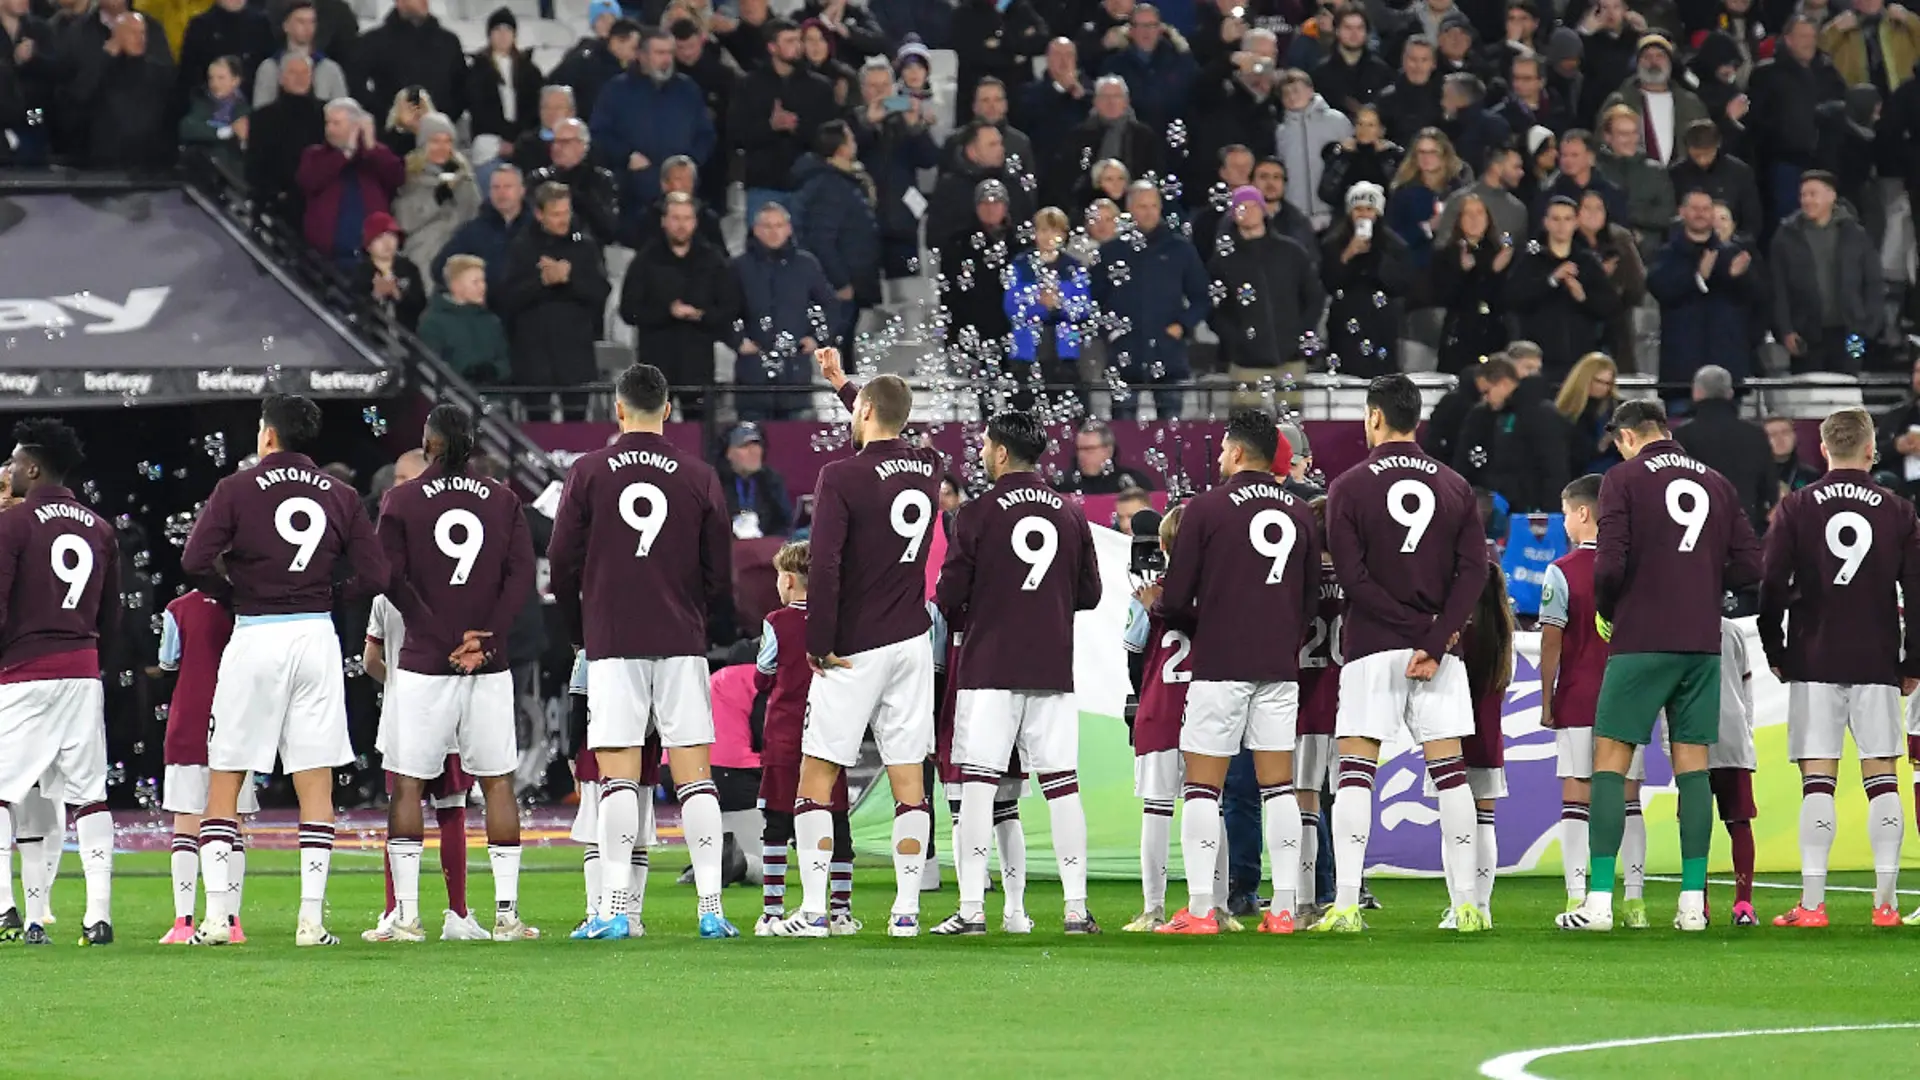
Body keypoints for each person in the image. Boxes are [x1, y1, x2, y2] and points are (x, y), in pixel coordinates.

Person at [180, 395, 390, 945]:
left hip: (256, 633)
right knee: (314, 776)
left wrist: (237, 592)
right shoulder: (342, 495)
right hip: (315, 634)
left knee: (226, 773)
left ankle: (217, 920)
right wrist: (330, 595)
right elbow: (375, 572)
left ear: (268, 435)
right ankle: (311, 921)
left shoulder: (236, 489)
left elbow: (193, 560)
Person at [547, 363, 738, 940]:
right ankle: (711, 908)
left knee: (618, 777)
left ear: (619, 409)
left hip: (612, 640)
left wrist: (580, 627)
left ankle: (611, 910)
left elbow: (560, 560)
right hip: (680, 639)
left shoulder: (589, 470)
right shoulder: (700, 473)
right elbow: (719, 570)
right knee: (695, 776)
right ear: (669, 408)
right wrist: (704, 622)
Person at [1557, 398, 1762, 933]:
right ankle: (1693, 905)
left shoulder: (1621, 479)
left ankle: (1598, 902)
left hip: (1642, 636)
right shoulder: (1716, 482)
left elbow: (1610, 561)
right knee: (1694, 765)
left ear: (1626, 436)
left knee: (1609, 760)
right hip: (1701, 641)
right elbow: (1749, 565)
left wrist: (1608, 612)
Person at [764, 354, 943, 938]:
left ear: (865, 413)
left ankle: (814, 911)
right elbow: (888, 435)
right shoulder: (928, 465)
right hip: (913, 641)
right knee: (908, 777)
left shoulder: (839, 477)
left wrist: (819, 641)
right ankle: (907, 912)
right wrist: (846, 386)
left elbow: (828, 564)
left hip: (854, 644)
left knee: (816, 775)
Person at [1317, 374, 1488, 934]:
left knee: (1355, 775)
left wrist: (1410, 628)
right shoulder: (1456, 485)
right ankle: (1466, 905)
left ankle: (1344, 905)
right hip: (1439, 653)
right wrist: (1435, 636)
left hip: (1371, 647)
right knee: (1451, 776)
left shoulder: (1347, 485)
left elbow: (1352, 577)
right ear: (1419, 419)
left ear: (1372, 417)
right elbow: (1476, 572)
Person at [930, 411, 1103, 936]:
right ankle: (1075, 908)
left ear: (1001, 452)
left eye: (985, 445)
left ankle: (971, 910)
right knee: (1062, 786)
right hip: (1051, 664)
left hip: (989, 665)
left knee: (979, 785)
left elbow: (948, 594)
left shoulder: (977, 513)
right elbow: (1091, 594)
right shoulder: (1070, 513)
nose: (981, 452)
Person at [1146, 411, 1318, 936]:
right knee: (1280, 787)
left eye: (1223, 449)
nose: (1219, 457)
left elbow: (1177, 599)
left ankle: (1201, 911)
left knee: (1202, 788)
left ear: (1238, 453)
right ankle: (1285, 908)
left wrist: (1161, 604)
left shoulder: (1206, 509)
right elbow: (1309, 603)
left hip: (1220, 665)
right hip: (1278, 664)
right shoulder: (1303, 513)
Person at [370, 405, 537, 943]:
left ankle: (408, 917)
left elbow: (386, 576)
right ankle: (507, 917)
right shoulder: (506, 500)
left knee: (408, 784)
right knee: (497, 783)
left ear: (430, 443)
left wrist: (440, 638)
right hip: (488, 666)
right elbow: (520, 579)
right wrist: (484, 640)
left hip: (423, 663)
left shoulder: (400, 499)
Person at [1758, 407, 1920, 929]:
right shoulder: (1898, 510)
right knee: (1883, 777)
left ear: (1823, 450)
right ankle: (1887, 904)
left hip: (1814, 656)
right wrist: (1912, 659)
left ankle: (1812, 905)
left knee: (1818, 781)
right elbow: (1916, 593)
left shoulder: (1798, 506)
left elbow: (1771, 585)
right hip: (1877, 659)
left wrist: (1775, 650)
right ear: (1872, 451)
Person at [0, 420, 119, 946]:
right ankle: (98, 916)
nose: (6, 469)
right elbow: (111, 615)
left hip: (24, 673)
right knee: (90, 795)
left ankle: (3, 908)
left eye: (11, 460)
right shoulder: (100, 527)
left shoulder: (13, 525)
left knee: (1, 793)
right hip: (83, 669)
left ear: (32, 467)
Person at [1538, 474, 1650, 922]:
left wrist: (1547, 699)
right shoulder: (1636, 569)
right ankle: (1636, 901)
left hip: (1581, 695)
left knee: (1577, 792)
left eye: (1566, 512)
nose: (1564, 521)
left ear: (1583, 514)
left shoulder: (1562, 571)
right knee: (1628, 795)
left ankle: (1577, 895)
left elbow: (1551, 641)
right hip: (1628, 697)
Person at [753, 541, 859, 935]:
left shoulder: (777, 621)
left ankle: (773, 913)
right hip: (832, 732)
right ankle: (842, 912)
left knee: (777, 823)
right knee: (836, 819)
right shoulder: (839, 620)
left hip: (785, 734)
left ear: (788, 579)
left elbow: (763, 674)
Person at [1121, 504, 1208, 931]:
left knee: (1157, 811)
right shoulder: (1218, 593)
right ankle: (1215, 904)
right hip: (1206, 710)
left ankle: (1153, 907)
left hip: (1159, 709)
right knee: (1212, 807)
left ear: (1162, 544)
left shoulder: (1149, 593)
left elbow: (1134, 657)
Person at [154, 585, 254, 944]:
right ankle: (232, 920)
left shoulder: (177, 608)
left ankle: (183, 923)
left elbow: (168, 661)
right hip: (236, 720)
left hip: (189, 720)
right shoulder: (246, 607)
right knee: (232, 824)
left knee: (185, 822)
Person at [619, 192, 740, 420]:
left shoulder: (712, 259)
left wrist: (701, 315)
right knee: (651, 435)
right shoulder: (645, 260)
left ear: (695, 221)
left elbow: (729, 308)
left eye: (686, 218)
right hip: (654, 367)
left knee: (699, 435)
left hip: (697, 366)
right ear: (664, 221)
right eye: (675, 218)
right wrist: (667, 313)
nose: (681, 225)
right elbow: (629, 311)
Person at [1096, 182, 1210, 419]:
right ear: (1129, 210)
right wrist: (1111, 332)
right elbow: (1094, 300)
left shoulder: (1180, 249)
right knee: (1122, 434)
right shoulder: (1110, 252)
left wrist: (1182, 326)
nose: (1149, 212)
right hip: (1124, 355)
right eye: (1142, 206)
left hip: (1169, 355)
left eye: (1154, 206)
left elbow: (1202, 297)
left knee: (1171, 433)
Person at [591, 27, 717, 229]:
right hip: (634, 198)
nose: (667, 59)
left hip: (681, 200)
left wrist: (690, 163)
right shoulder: (616, 90)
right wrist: (627, 155)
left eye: (670, 53)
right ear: (641, 55)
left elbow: (706, 134)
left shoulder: (687, 89)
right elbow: (599, 133)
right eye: (660, 53)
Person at [1209, 185, 1324, 402]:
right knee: (1247, 427)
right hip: (1246, 363)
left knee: (1292, 427)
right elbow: (1214, 309)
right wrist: (1237, 341)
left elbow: (1314, 297)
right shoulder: (1223, 260)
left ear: (1263, 210)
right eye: (1242, 207)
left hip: (1291, 358)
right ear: (1233, 214)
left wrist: (1300, 333)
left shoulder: (1292, 252)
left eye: (1253, 206)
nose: (1248, 211)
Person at [1771, 171, 1885, 376]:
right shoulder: (1785, 236)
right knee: (1808, 395)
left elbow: (1873, 282)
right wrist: (1785, 330)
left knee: (1850, 386)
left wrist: (1869, 327)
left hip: (1853, 334)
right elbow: (1778, 289)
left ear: (1831, 196)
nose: (1806, 200)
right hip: (1805, 335)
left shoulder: (1855, 233)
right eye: (1803, 195)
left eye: (1813, 194)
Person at [731, 202, 837, 420]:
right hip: (752, 380)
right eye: (767, 226)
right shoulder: (739, 267)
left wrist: (817, 338)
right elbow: (724, 311)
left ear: (788, 228)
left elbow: (830, 306)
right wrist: (737, 340)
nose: (774, 231)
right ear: (756, 229)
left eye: (779, 225)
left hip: (796, 378)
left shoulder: (807, 265)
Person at [1646, 189, 1761, 388]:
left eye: (1706, 209)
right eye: (1695, 208)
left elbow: (1753, 297)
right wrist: (1698, 278)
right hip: (1682, 371)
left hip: (1727, 371)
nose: (1700, 213)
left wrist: (1737, 278)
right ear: (1682, 212)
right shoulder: (1666, 255)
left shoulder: (1732, 253)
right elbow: (1660, 289)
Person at [501, 182, 610, 390]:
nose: (563, 220)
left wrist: (570, 279)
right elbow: (508, 297)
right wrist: (542, 282)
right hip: (533, 355)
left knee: (576, 420)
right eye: (556, 214)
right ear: (539, 214)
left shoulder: (585, 247)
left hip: (575, 352)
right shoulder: (521, 247)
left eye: (566, 212)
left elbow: (600, 291)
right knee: (536, 420)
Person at [730, 18, 839, 222]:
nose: (798, 47)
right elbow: (736, 133)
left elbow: (829, 136)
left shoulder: (820, 87)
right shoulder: (749, 85)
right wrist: (770, 126)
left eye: (799, 40)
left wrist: (797, 127)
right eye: (789, 41)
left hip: (809, 185)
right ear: (772, 47)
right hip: (763, 186)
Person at [789, 119, 882, 351]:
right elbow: (822, 239)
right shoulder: (831, 186)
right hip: (839, 287)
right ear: (841, 148)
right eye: (850, 138)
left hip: (847, 282)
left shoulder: (839, 181)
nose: (855, 143)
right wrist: (840, 283)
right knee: (837, 353)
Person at [1747, 15, 1847, 222]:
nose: (1809, 42)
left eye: (1812, 36)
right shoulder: (1767, 74)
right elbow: (1756, 120)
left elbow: (1843, 110)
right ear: (1789, 40)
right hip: (1784, 165)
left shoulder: (1828, 73)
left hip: (1825, 165)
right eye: (1803, 36)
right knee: (1788, 222)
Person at [1505, 196, 1617, 378]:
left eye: (1567, 219)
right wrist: (1551, 280)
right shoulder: (1531, 260)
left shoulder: (1588, 262)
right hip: (1538, 362)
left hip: (1579, 361)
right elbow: (1512, 297)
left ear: (1576, 222)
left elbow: (1610, 306)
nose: (1561, 225)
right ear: (1546, 222)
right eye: (1555, 219)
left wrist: (1583, 298)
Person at [1003, 206, 1094, 417]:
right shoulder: (1019, 265)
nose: (1049, 237)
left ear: (1064, 234)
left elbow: (1083, 308)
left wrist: (1058, 305)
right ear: (1034, 233)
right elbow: (1011, 307)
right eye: (1043, 230)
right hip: (1026, 354)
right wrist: (1040, 303)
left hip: (1065, 352)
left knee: (1068, 412)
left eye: (1055, 231)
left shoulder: (1074, 267)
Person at [1451, 354, 1570, 512]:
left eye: (1487, 392)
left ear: (1504, 383)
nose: (1485, 398)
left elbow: (1554, 468)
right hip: (1494, 505)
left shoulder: (1540, 414)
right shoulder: (1481, 416)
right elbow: (1466, 459)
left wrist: (1550, 511)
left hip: (1531, 508)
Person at [1320, 181, 1414, 378]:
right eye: (1358, 209)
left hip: (1382, 325)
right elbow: (1327, 282)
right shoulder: (1332, 243)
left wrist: (1378, 258)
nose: (1363, 214)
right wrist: (1347, 255)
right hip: (1344, 326)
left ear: (1378, 212)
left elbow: (1401, 283)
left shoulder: (1395, 245)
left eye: (1369, 209)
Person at [299, 97, 405, 269]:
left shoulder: (374, 156)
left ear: (356, 126)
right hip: (327, 258)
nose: (329, 129)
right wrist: (345, 154)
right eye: (328, 123)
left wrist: (370, 146)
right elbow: (309, 181)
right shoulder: (314, 155)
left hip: (372, 258)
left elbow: (397, 177)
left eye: (336, 123)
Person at [1674, 365, 1773, 533]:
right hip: (1746, 530)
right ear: (1730, 393)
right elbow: (1770, 488)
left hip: (1696, 533)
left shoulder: (1682, 436)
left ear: (1696, 392)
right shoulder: (1755, 434)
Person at [1048, 76, 1163, 214]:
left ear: (1126, 101)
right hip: (1088, 209)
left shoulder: (1144, 136)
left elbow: (1154, 176)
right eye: (1105, 97)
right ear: (1095, 102)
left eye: (1116, 96)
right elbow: (1066, 178)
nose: (1111, 102)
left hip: (1134, 210)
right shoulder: (1078, 136)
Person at [73, 12, 174, 169]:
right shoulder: (101, 68)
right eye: (131, 32)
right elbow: (80, 95)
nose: (139, 38)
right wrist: (106, 56)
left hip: (149, 165)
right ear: (116, 36)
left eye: (142, 32)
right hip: (107, 163)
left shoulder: (160, 73)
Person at [348, 0, 466, 127]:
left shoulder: (449, 42)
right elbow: (355, 84)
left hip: (439, 135)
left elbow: (462, 86)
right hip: (390, 133)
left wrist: (444, 116)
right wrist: (389, 113)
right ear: (399, 2)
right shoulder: (373, 41)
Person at [1431, 194, 1514, 374]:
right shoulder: (1446, 255)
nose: (1474, 219)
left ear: (1488, 219)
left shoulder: (1500, 255)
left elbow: (1507, 300)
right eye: (1468, 214)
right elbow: (1443, 296)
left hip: (1494, 337)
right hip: (1459, 336)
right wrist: (1462, 272)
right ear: (1459, 220)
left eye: (1479, 213)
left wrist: (1496, 272)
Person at [391, 110, 479, 277]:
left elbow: (473, 215)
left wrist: (461, 186)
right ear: (424, 143)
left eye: (447, 141)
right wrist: (436, 198)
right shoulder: (409, 175)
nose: (442, 147)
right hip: (424, 252)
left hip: (459, 253)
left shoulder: (464, 174)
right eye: (435, 141)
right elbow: (404, 221)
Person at [1098, 2, 1197, 131]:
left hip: (1171, 137)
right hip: (1130, 137)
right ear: (1131, 30)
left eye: (1151, 25)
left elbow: (1195, 98)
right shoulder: (1114, 65)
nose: (1146, 31)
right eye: (1140, 26)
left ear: (1160, 29)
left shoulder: (1179, 61)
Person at [432, 165, 527, 298]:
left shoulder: (537, 228)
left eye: (507, 187)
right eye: (496, 187)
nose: (501, 193)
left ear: (522, 190)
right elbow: (440, 268)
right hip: (485, 310)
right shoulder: (473, 231)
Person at [1593, 104, 1676, 256]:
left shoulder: (1655, 171)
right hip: (1605, 250)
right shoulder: (1596, 170)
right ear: (1607, 136)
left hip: (1650, 252)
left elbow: (1667, 214)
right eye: (1623, 134)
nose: (1631, 139)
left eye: (1634, 133)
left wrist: (1629, 215)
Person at [524, 118, 620, 250]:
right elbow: (529, 224)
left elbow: (608, 229)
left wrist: (581, 196)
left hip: (585, 256)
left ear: (583, 146)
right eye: (554, 141)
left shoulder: (599, 180)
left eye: (564, 142)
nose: (556, 147)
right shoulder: (538, 179)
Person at [1277, 68, 1355, 230]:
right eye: (1286, 94)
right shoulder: (1282, 131)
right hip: (1297, 216)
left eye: (1296, 91)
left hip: (1333, 212)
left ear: (1310, 90)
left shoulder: (1337, 121)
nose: (1291, 97)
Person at [950, 0, 1047, 126]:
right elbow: (974, 55)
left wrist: (1002, 42)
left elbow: (1042, 39)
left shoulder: (1021, 8)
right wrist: (1015, 54)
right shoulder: (964, 13)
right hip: (976, 104)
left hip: (1018, 101)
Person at [1384, 126, 1466, 272]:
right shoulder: (1403, 192)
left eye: (1432, 152)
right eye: (1421, 152)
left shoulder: (1458, 189)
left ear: (1444, 155)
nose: (1426, 158)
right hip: (1416, 269)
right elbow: (1392, 238)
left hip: (1454, 268)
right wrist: (1427, 227)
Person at [419, 255, 510, 384]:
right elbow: (431, 368)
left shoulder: (491, 320)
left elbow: (506, 362)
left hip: (497, 397)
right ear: (456, 285)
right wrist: (464, 374)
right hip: (457, 400)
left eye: (483, 281)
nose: (482, 287)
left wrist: (494, 371)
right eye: (475, 282)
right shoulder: (433, 322)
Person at [463, 8, 541, 159]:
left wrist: (519, 138)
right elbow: (478, 108)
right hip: (489, 139)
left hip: (524, 139)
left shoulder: (530, 70)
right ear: (489, 35)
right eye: (497, 30)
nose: (502, 35)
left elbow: (534, 107)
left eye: (507, 30)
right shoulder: (477, 69)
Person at [1667, 118, 1762, 238]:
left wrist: (1736, 244)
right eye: (1696, 155)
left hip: (1732, 243)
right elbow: (1671, 217)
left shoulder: (1740, 172)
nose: (1702, 160)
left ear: (1718, 145)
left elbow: (1752, 221)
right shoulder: (1676, 174)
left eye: (1707, 154)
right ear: (1687, 148)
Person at [1317, 106, 1405, 231]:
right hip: (1345, 224)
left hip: (1384, 224)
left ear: (1381, 130)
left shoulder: (1393, 156)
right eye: (1360, 123)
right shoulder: (1341, 153)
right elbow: (1326, 193)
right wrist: (1343, 157)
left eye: (1370, 125)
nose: (1364, 129)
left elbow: (1399, 195)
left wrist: (1385, 157)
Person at [177, 0, 272, 108]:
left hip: (252, 110)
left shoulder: (262, 24)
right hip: (207, 111)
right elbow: (186, 79)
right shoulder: (200, 25)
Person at [549, 14, 640, 125]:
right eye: (634, 48)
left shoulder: (622, 67)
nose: (636, 55)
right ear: (616, 41)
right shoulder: (584, 61)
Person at [1435, 143, 1526, 252]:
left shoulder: (1518, 209)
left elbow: (1520, 255)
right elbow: (1441, 248)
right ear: (1496, 167)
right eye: (1516, 167)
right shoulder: (1458, 201)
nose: (1522, 173)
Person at [254, 0, 346, 107]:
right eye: (301, 21)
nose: (308, 27)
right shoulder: (270, 68)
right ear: (286, 26)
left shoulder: (330, 69)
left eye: (312, 22)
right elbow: (260, 112)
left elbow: (342, 111)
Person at [1533, 128, 1626, 226]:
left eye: (1574, 155)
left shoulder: (1611, 193)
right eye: (1564, 155)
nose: (1567, 161)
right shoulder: (1549, 192)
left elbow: (1620, 231)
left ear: (1591, 158)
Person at [1312, 3, 1393, 114]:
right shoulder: (1320, 73)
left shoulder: (1381, 71)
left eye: (1359, 28)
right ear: (1337, 30)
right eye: (1348, 27)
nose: (1354, 34)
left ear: (1367, 32)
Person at [351, 211, 427, 329]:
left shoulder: (408, 268)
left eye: (391, 235)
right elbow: (353, 309)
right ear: (369, 246)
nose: (387, 243)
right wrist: (376, 295)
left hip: (405, 338)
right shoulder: (362, 272)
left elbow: (420, 305)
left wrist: (397, 294)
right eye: (380, 237)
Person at [180, 55, 252, 172]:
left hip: (232, 173)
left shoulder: (245, 110)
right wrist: (226, 132)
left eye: (221, 78)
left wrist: (243, 140)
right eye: (211, 78)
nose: (214, 83)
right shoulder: (201, 102)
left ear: (235, 81)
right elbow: (186, 127)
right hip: (201, 167)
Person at [1555, 352, 1621, 475]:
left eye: (1607, 383)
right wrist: (1602, 444)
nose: (1603, 388)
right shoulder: (1567, 411)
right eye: (1598, 381)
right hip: (1580, 476)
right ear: (1585, 379)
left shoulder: (1614, 408)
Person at [722, 423, 794, 537]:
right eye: (745, 446)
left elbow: (785, 523)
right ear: (728, 453)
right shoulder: (714, 483)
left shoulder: (771, 480)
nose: (754, 452)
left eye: (757, 445)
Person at [1376, 35, 1443, 147]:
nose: (1418, 66)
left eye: (1424, 60)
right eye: (1413, 59)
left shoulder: (1445, 96)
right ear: (1403, 60)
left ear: (1433, 64)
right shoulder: (1386, 98)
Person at [1058, 420, 1157, 493]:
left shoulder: (1132, 482)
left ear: (1108, 450)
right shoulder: (1064, 486)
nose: (1081, 455)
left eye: (1088, 449)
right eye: (1079, 449)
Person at [1763, 416, 1822, 500]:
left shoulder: (1813, 477)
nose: (1780, 439)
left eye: (1785, 432)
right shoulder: (1753, 477)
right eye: (1772, 434)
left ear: (1794, 436)